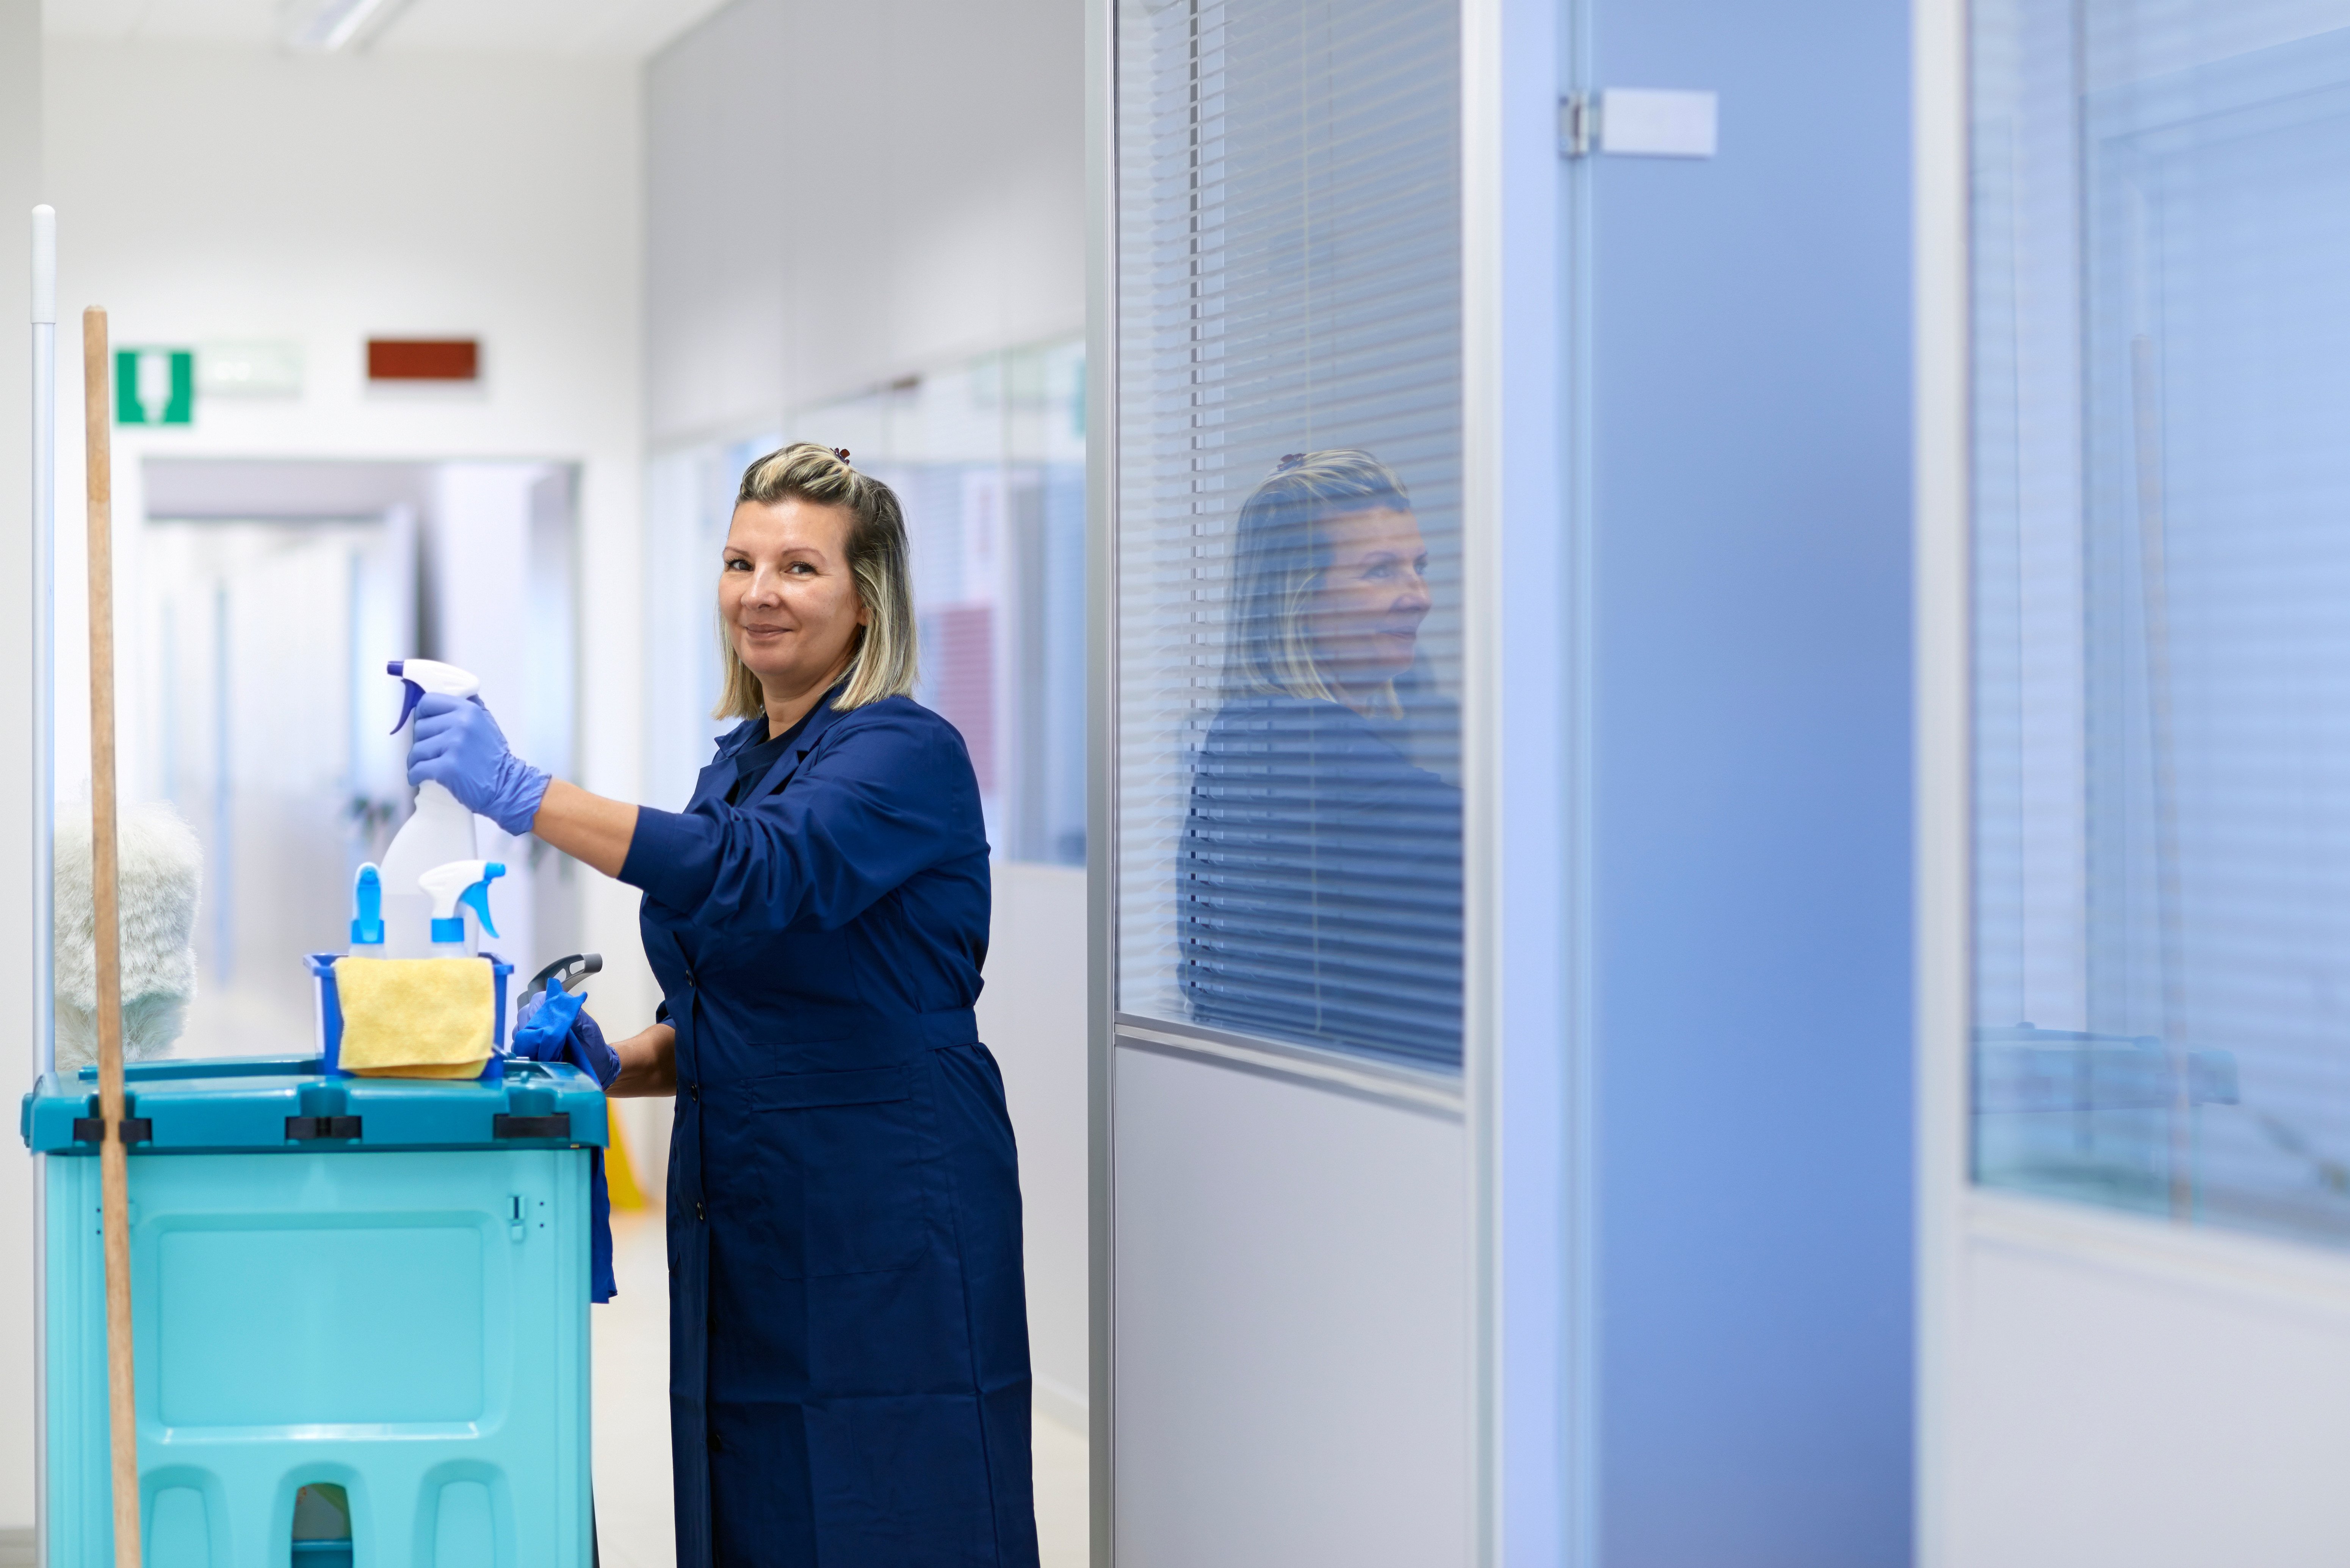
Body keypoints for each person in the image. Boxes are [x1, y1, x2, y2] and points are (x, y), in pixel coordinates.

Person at [405, 442, 1038, 1568]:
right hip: (746, 1202)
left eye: (800, 567)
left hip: (886, 1206)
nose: (759, 592)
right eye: (742, 561)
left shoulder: (906, 751)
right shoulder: (738, 764)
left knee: (892, 1503)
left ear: (866, 600)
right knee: (753, 1495)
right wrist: (610, 1061)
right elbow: (731, 999)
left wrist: (521, 795)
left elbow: (762, 871)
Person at [1178, 448, 1464, 1066]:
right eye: (1381, 571)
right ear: (1297, 597)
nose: (1420, 595)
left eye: (1419, 566)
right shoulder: (1306, 753)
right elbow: (1524, 868)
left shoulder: (1248, 732)